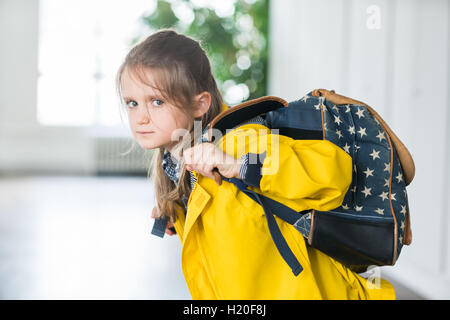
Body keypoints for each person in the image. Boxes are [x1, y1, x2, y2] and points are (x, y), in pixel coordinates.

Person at [115, 28, 396, 299]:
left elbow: (335, 174)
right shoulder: (180, 162)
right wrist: (182, 217)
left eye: (156, 101)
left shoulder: (240, 143)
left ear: (199, 104)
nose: (141, 117)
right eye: (132, 103)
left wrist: (240, 166)